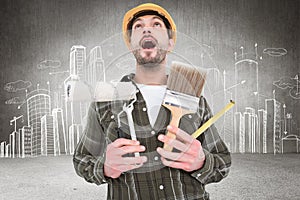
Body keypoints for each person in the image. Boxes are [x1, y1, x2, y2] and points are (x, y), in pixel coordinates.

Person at [73, 3, 231, 200]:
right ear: (130, 44)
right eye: (138, 26)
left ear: (170, 43)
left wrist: (202, 162)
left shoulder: (193, 97)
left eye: (156, 24)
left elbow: (223, 162)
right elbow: (81, 160)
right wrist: (104, 167)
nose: (146, 28)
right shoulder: (106, 101)